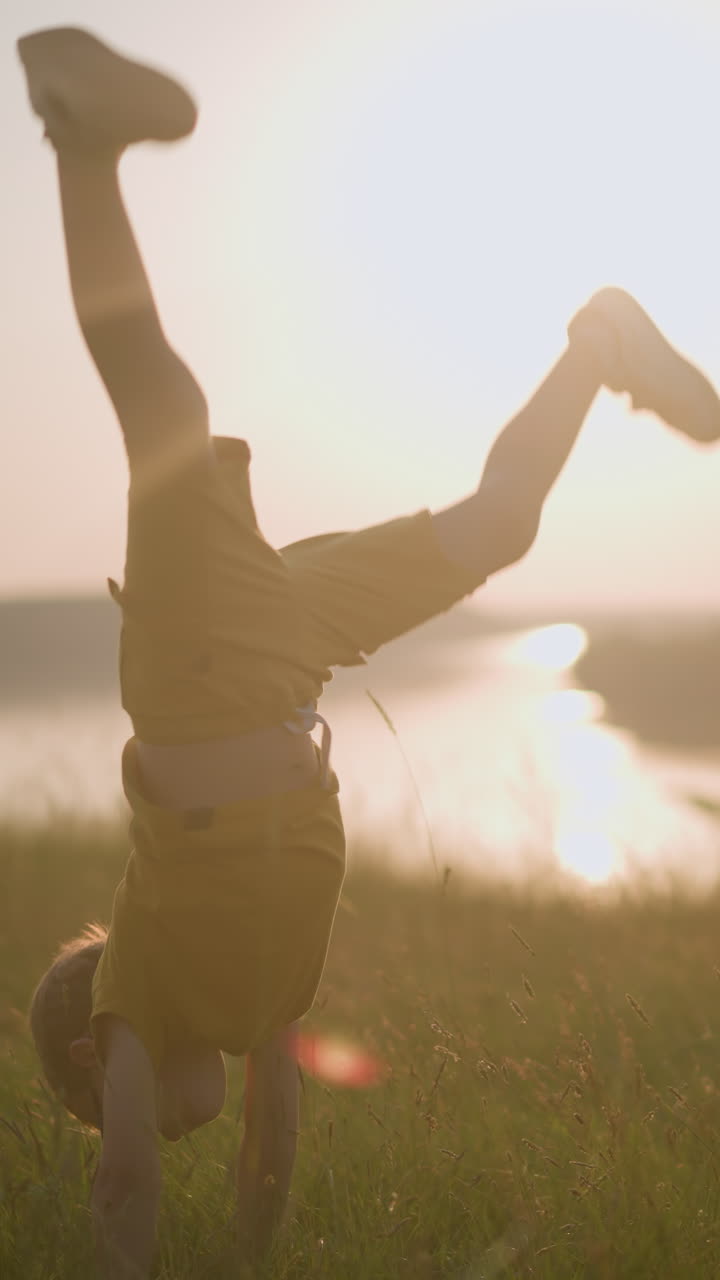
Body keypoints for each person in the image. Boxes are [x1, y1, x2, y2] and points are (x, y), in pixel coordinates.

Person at [19, 24, 720, 1280]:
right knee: (495, 523)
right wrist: (245, 1264)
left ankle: (80, 135)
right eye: (134, 1124)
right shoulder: (257, 1003)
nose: (158, 1134)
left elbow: (126, 1178)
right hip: (287, 655)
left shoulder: (133, 997)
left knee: (158, 411)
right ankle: (598, 343)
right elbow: (271, 1145)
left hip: (194, 672)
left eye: (108, 1109)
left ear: (91, 1063)